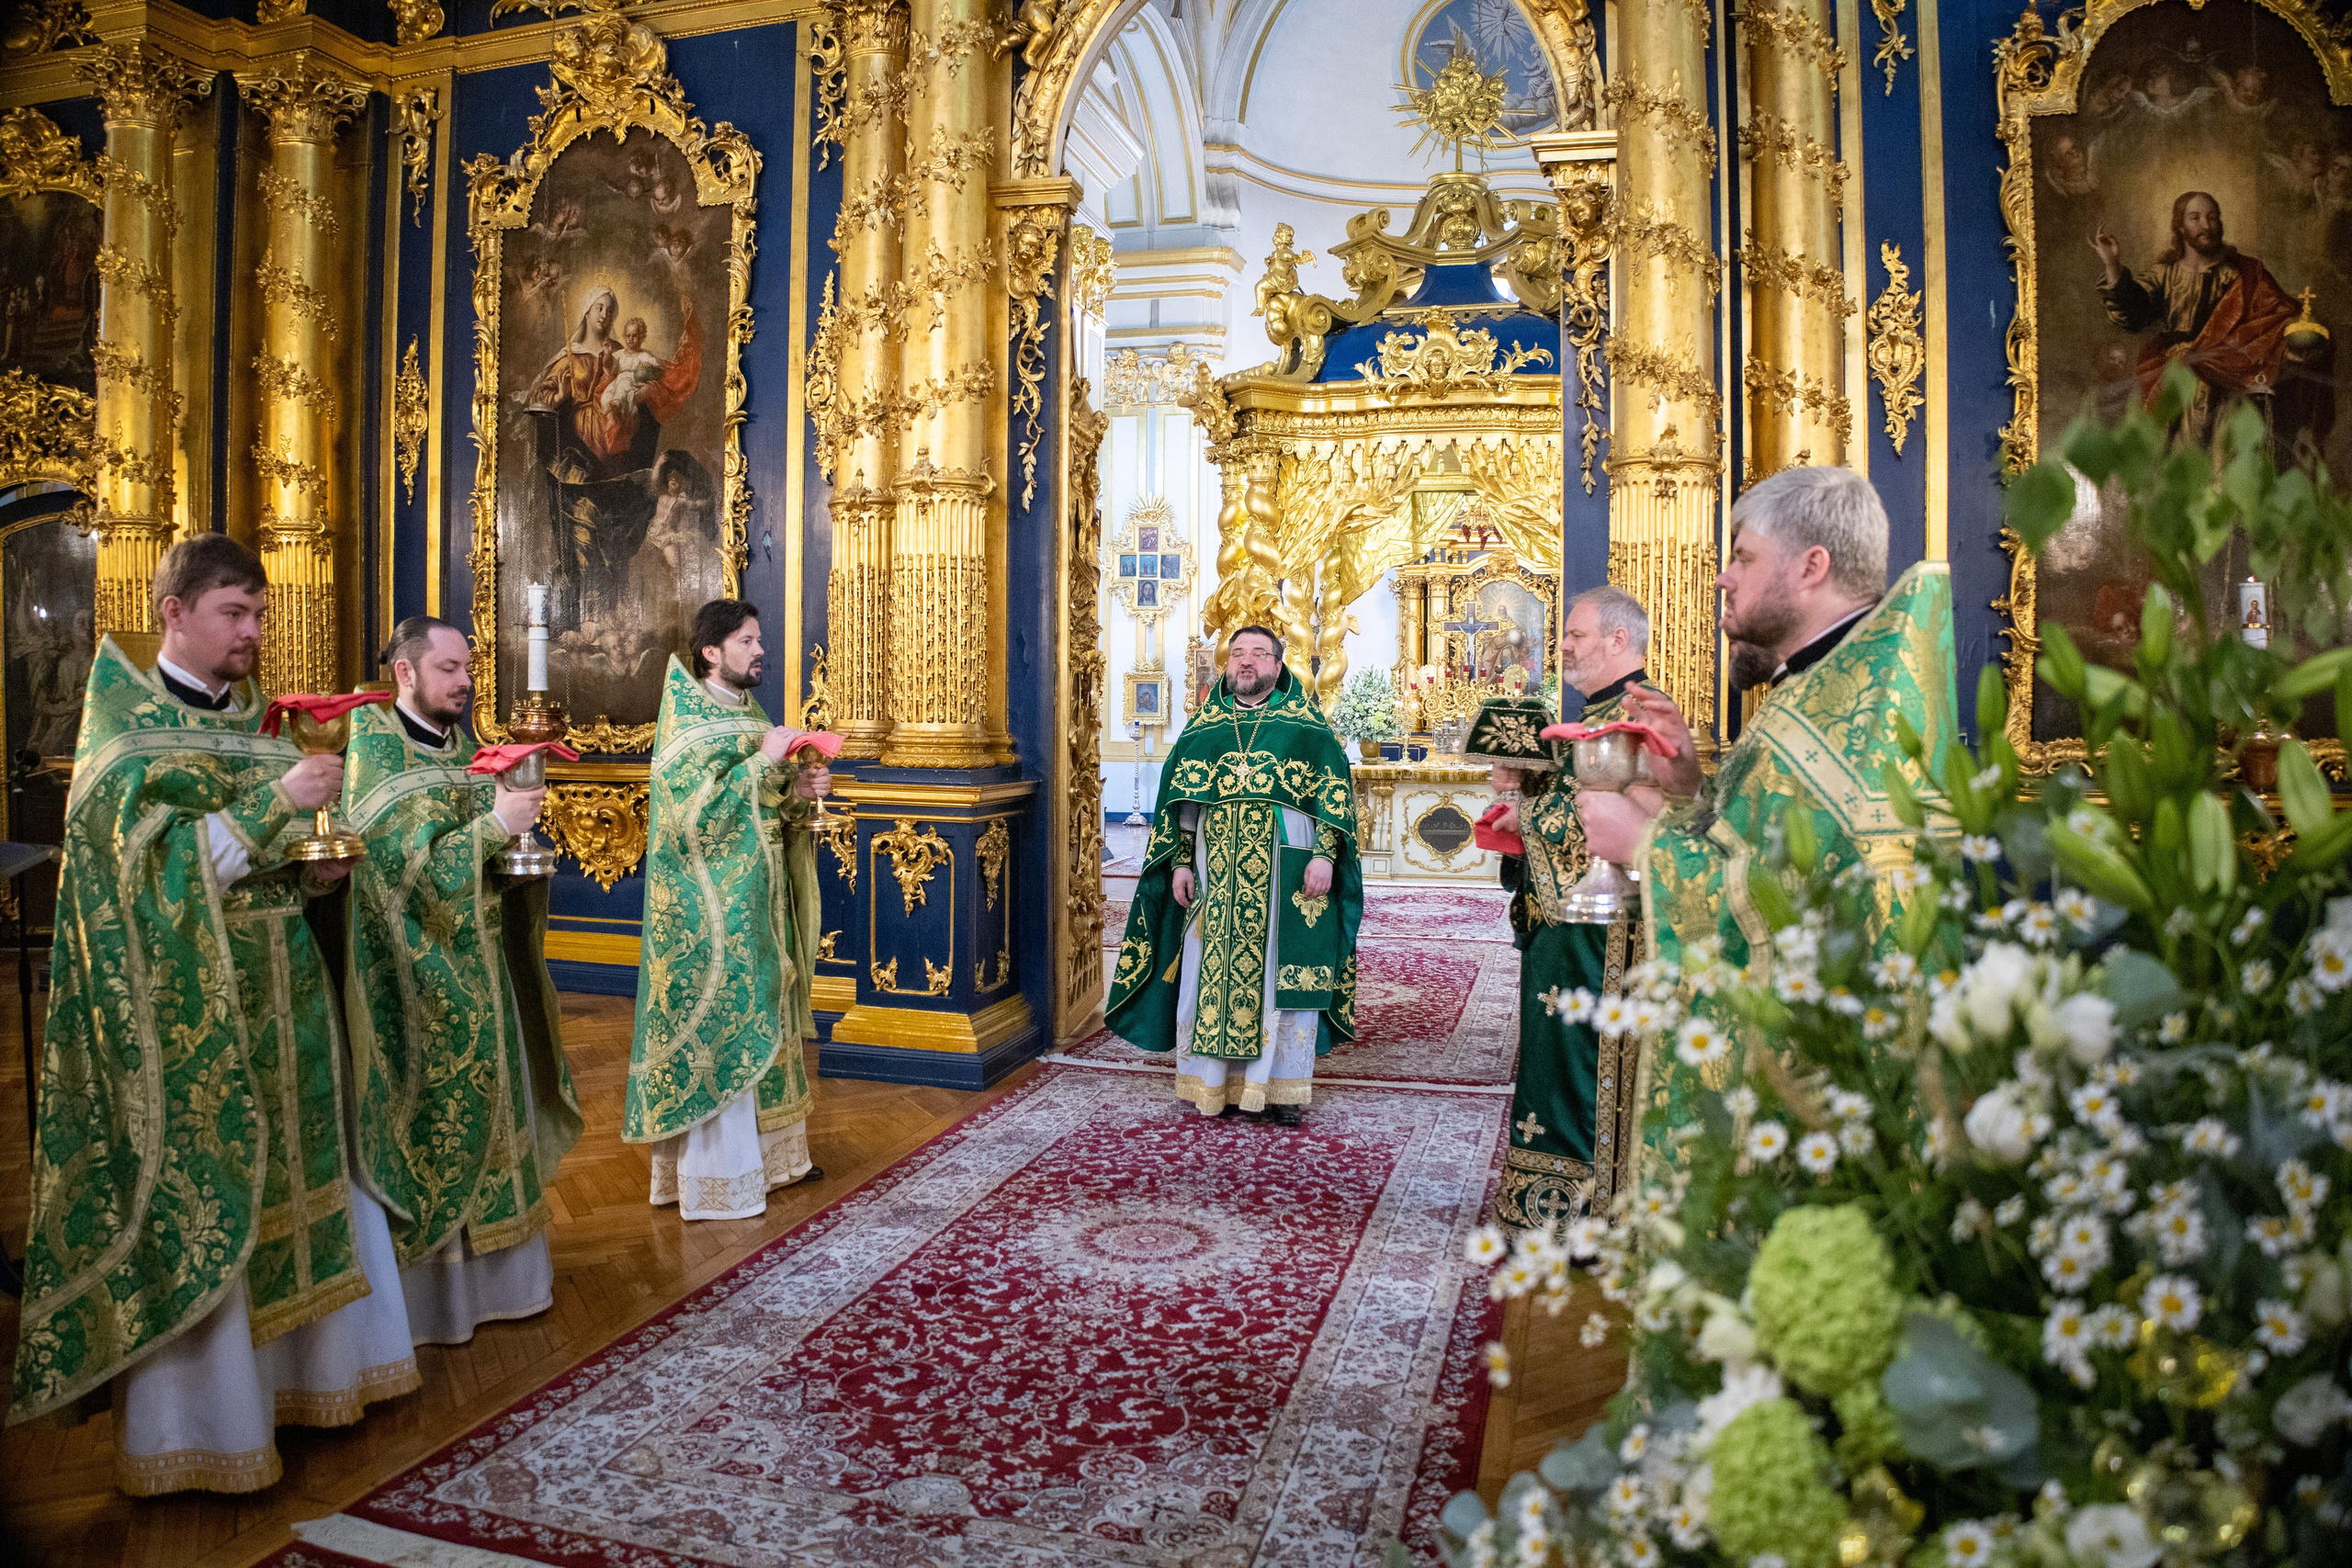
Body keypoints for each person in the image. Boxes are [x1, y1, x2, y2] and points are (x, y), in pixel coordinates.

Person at [6, 535, 415, 1495]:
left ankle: (312, 1384)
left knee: (304, 1184)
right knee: (213, 1193)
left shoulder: (260, 725)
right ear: (173, 612)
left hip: (287, 1002)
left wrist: (319, 871)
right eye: (234, 612)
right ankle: (206, 1429)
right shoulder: (124, 737)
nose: (253, 631)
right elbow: (131, 883)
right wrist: (274, 805)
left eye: (260, 613)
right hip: (185, 1020)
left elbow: (275, 862)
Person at [1577, 467, 1958, 1174]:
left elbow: (1819, 912)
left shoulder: (1867, 717)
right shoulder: (1815, 688)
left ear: (1812, 566)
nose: (1723, 578)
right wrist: (1688, 791)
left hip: (1826, 1110)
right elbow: (1767, 851)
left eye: (1744, 557)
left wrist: (1647, 844)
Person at [340, 615, 582, 1343]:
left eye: (468, 669)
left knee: (499, 1107)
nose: (466, 682)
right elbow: (394, 873)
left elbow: (488, 862)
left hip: (483, 973)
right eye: (449, 668)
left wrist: (514, 847)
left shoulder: (463, 751)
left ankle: (506, 1283)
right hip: (413, 988)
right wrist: (493, 827)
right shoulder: (374, 755)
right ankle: (437, 1302)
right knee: (434, 1127)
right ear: (405, 672)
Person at [1103, 626, 1362, 1124]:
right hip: (1214, 874)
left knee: (1282, 974)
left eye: (1259, 654)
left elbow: (1333, 798)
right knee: (1207, 969)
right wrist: (1181, 863)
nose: (1247, 661)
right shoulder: (1204, 728)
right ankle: (1212, 1085)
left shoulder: (1306, 726)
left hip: (1286, 875)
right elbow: (1183, 806)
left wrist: (1325, 857)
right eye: (1238, 653)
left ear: (1278, 665)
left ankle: (1281, 1088)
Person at [627, 599, 831, 1218]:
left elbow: (766, 807)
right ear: (711, 652)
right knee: (727, 1026)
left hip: (760, 902)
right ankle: (720, 1174)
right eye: (747, 640)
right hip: (710, 914)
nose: (760, 649)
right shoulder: (687, 724)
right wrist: (766, 762)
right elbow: (691, 820)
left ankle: (776, 1162)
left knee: (767, 1010)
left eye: (759, 638)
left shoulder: (747, 713)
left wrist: (799, 790)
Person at [1475, 587, 1654, 1227]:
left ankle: (1584, 1209)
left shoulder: (1638, 715)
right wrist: (1526, 791)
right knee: (1553, 1058)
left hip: (1601, 931)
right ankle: (1553, 1202)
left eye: (1577, 635)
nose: (1565, 646)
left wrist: (1527, 816)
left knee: (1583, 1061)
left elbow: (1621, 822)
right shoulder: (1596, 713)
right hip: (1568, 925)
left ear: (1618, 640)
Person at [2091, 191, 2333, 453]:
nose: (2205, 225)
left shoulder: (2243, 274)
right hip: (2177, 375)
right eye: (2195, 218)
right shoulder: (2164, 274)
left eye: (2212, 218)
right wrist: (2112, 264)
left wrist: (2292, 345)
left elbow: (2274, 321)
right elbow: (2132, 316)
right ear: (2180, 226)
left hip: (2232, 373)